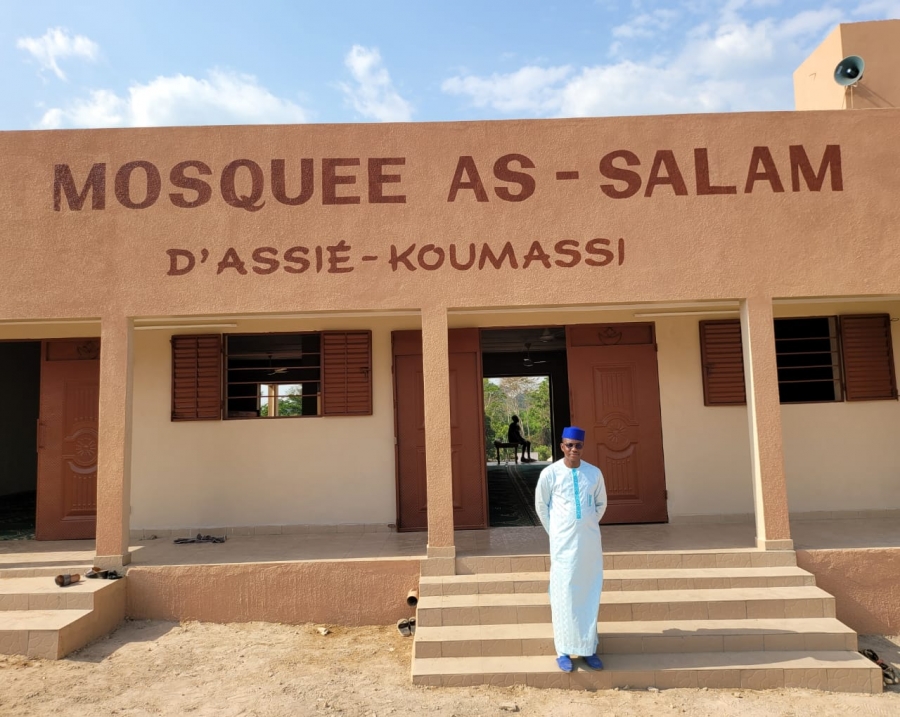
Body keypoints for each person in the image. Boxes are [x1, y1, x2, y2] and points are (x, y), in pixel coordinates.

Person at [534, 426, 607, 673]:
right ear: (562, 446)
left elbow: (600, 504)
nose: (573, 449)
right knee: (564, 593)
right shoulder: (550, 474)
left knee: (588, 590)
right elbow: (542, 507)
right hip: (563, 546)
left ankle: (588, 648)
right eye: (569, 445)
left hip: (589, 545)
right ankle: (563, 650)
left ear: (583, 447)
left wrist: (584, 524)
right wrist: (557, 531)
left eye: (578, 445)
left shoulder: (594, 473)